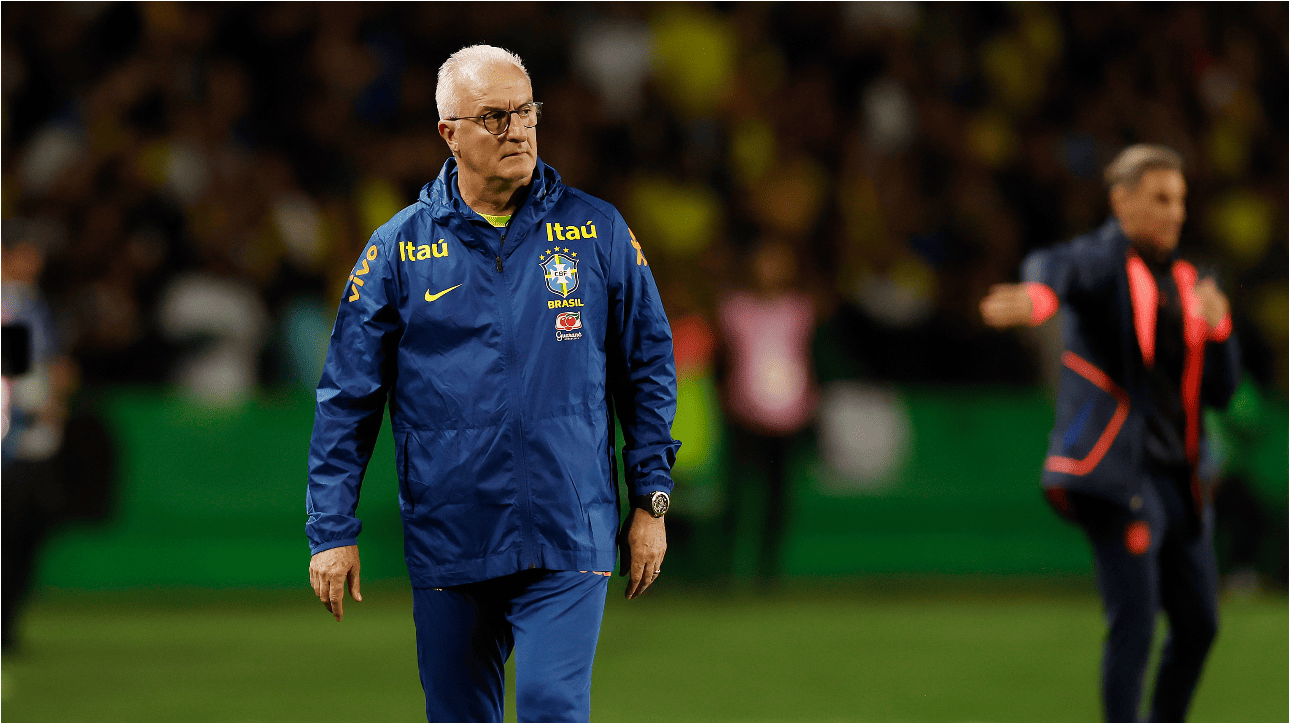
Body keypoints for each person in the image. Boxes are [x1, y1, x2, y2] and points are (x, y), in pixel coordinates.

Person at [305, 45, 680, 723]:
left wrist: (650, 501)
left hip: (570, 524)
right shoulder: (398, 250)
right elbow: (346, 399)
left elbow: (647, 364)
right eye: (495, 116)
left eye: (527, 111)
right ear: (449, 134)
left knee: (549, 705)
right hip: (453, 532)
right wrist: (331, 529)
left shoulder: (597, 232)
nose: (518, 129)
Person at [980, 144, 1240, 722]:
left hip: (1180, 477)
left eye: (1181, 200)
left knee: (1199, 625)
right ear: (1120, 200)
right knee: (1136, 622)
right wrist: (1038, 298)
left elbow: (1222, 389)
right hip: (1120, 472)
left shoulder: (1190, 281)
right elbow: (1058, 267)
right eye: (1160, 199)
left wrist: (1221, 330)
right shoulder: (1103, 261)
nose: (1175, 213)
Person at [715, 238, 818, 584]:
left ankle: (767, 571)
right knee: (737, 495)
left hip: (789, 419)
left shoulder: (800, 310)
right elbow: (723, 361)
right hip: (743, 416)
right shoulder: (734, 309)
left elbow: (809, 360)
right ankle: (726, 569)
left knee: (779, 496)